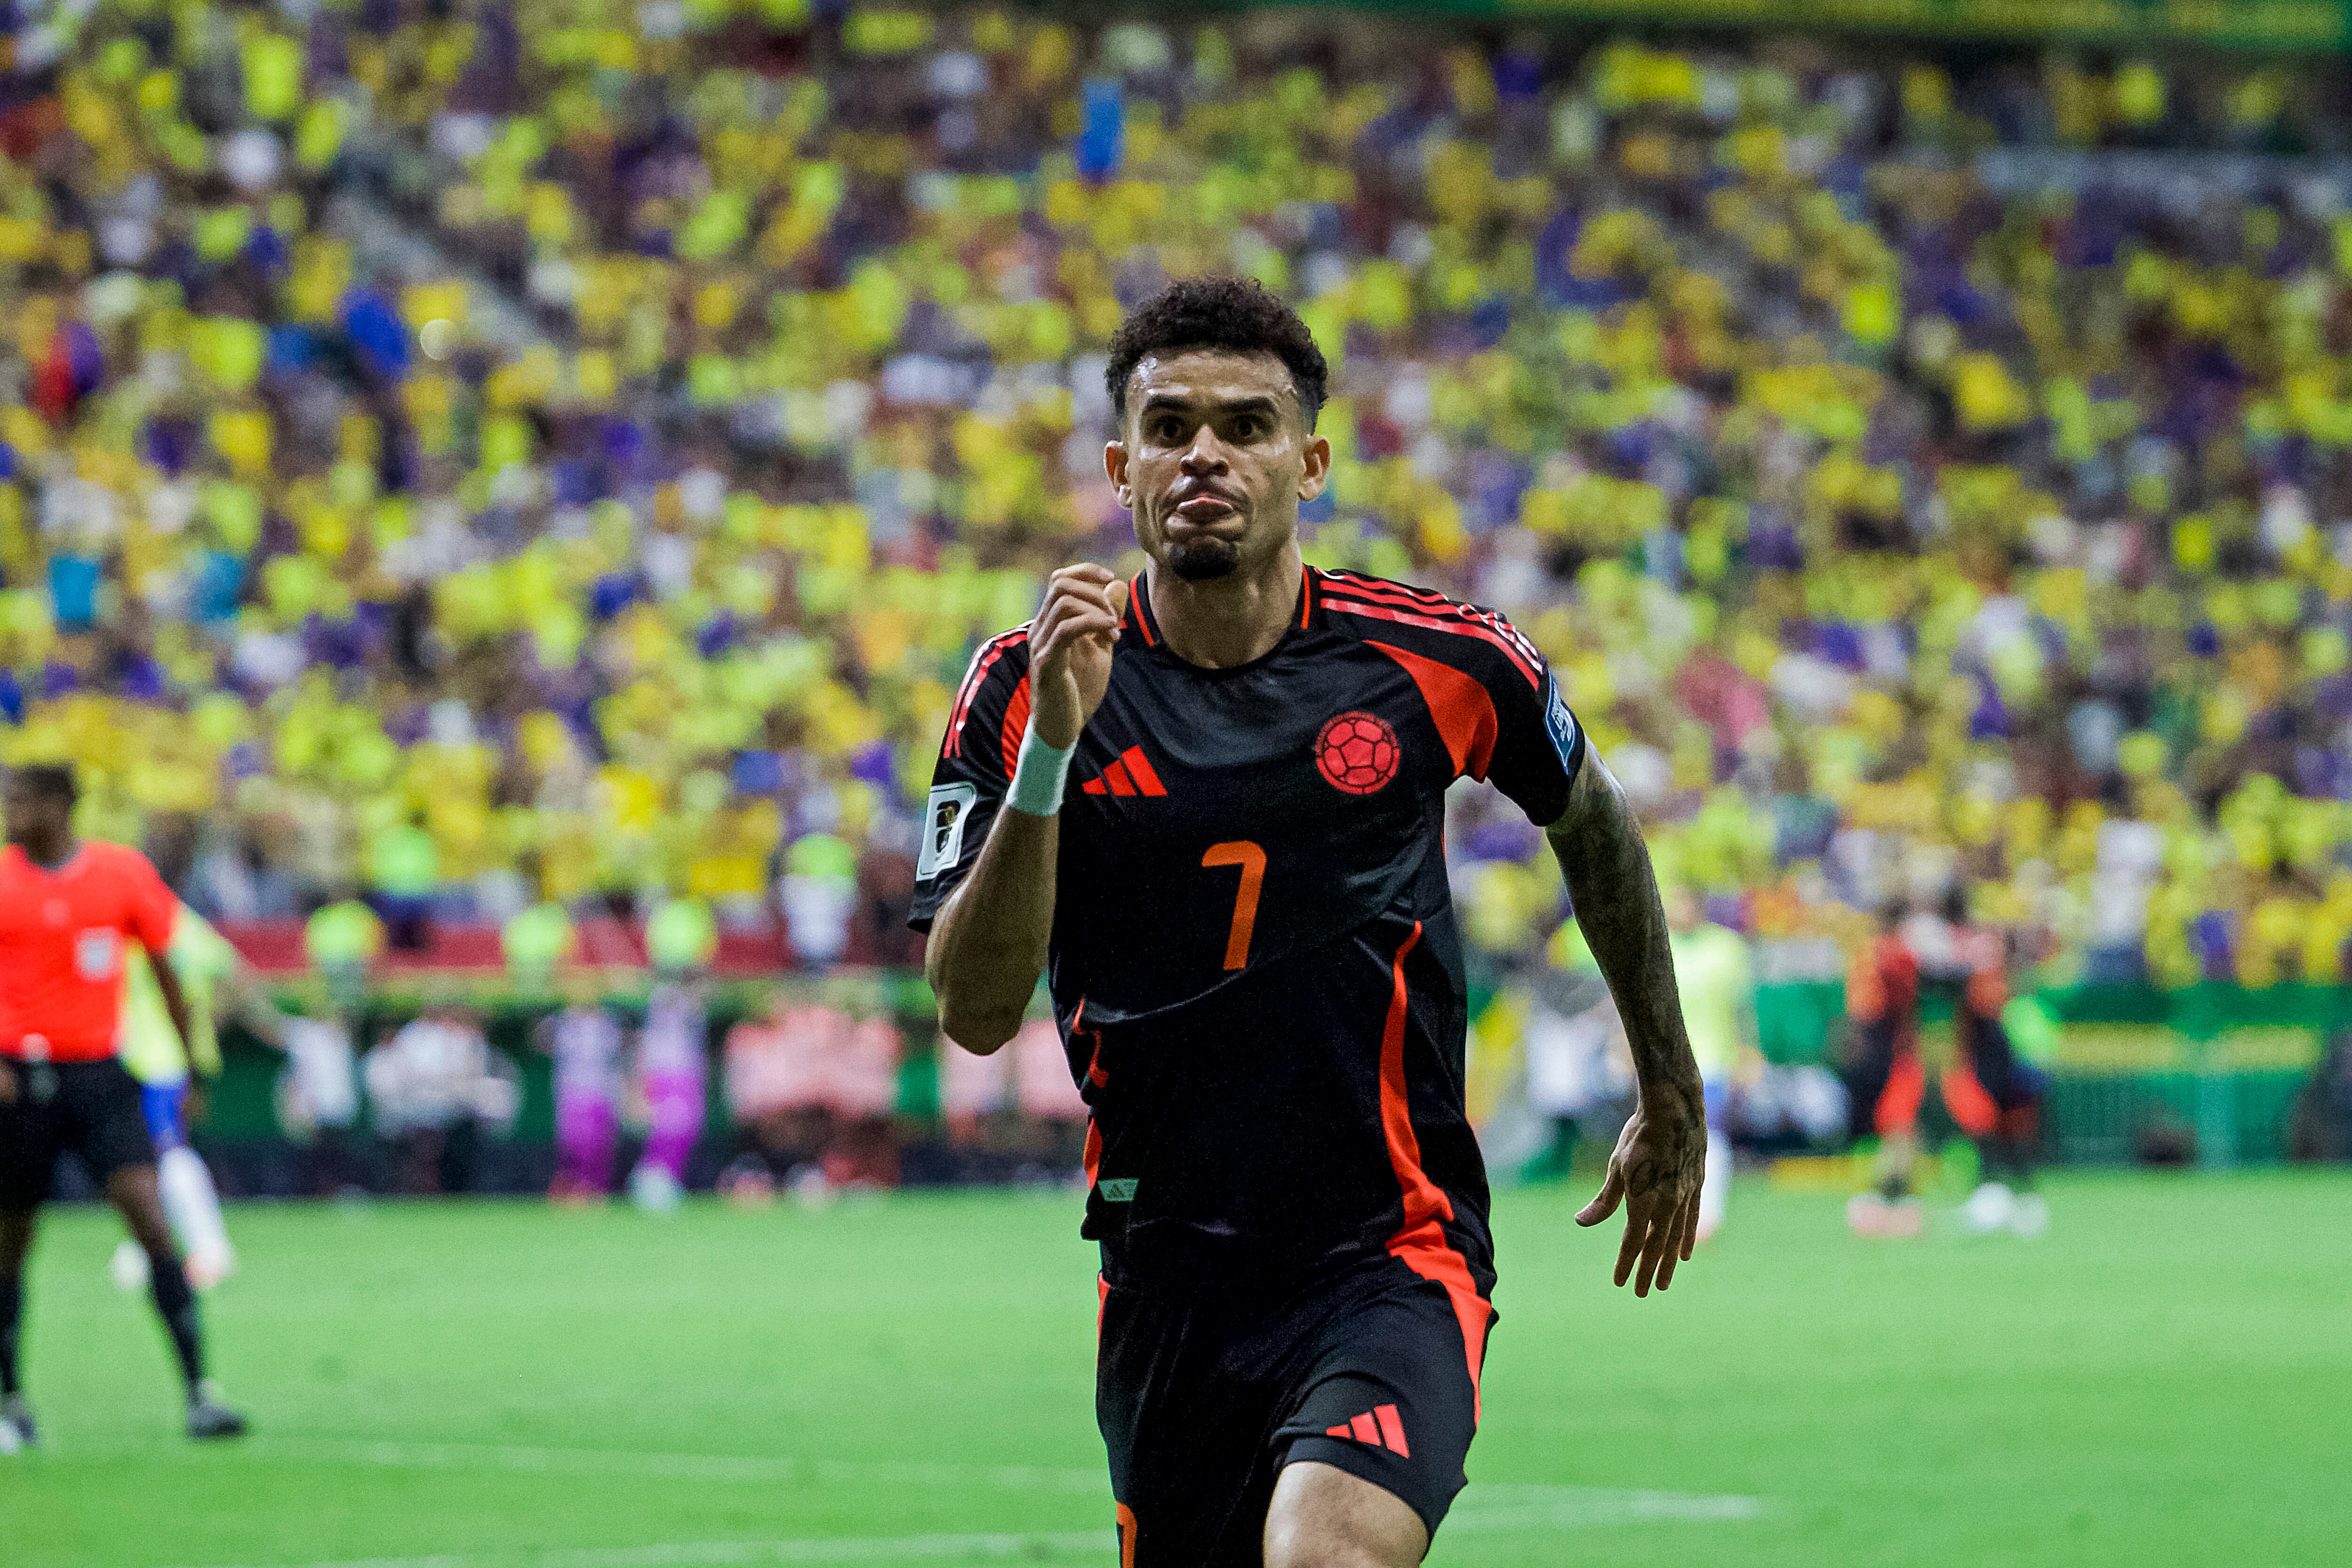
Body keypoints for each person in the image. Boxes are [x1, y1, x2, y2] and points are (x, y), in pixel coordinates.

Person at [914, 279, 1705, 1567]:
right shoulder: (1025, 680)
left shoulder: (1438, 661)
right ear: (1121, 470)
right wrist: (1054, 751)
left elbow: (1595, 820)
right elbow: (974, 1008)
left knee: (1327, 1553)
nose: (1205, 455)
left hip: (1387, 1242)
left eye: (1247, 424)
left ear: (1312, 461)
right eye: (1169, 428)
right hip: (1165, 1261)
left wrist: (1671, 1090)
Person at [0, 765, 247, 1448]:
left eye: (22, 800)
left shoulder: (120, 874)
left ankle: (200, 1391)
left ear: (62, 806)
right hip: (20, 1078)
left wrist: (193, 1065)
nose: (11, 813)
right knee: (11, 1245)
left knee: (150, 1216)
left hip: (99, 1073)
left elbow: (170, 972)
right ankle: (12, 1402)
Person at [114, 900, 289, 1291]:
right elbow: (237, 976)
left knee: (167, 1152)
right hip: (175, 1060)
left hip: (152, 1061)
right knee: (152, 1155)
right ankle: (150, 1244)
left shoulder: (137, 931)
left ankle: (208, 1247)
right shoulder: (188, 928)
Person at [1663, 887, 1756, 1243]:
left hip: (1713, 1059)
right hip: (1666, 1063)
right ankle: (1674, 1212)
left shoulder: (1726, 948)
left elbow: (1742, 1008)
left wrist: (1748, 1053)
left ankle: (1708, 1212)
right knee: (1672, 1138)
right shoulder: (1659, 947)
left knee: (1709, 1133)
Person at [1844, 902, 1927, 1238]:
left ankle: (1889, 1199)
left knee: (1899, 1129)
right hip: (1894, 1055)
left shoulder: (1868, 955)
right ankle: (1892, 1199)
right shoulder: (1895, 955)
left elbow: (1859, 1012)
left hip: (1883, 1053)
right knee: (1900, 1129)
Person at [540, 970, 623, 1202]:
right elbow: (540, 1040)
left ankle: (595, 1189)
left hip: (600, 1091)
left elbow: (617, 1048)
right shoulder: (561, 1023)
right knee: (574, 1143)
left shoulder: (606, 1023)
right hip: (572, 1092)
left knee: (598, 1144)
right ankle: (572, 1187)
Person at [628, 977, 707, 1211]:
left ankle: (668, 1177)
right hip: (665, 1073)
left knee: (688, 1130)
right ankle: (651, 1179)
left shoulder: (693, 1006)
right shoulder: (664, 998)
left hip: (688, 1073)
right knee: (667, 1128)